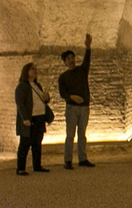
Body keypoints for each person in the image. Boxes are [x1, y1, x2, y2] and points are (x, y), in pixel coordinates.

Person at [59, 33, 95, 170]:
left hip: (84, 107)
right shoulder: (63, 77)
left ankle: (83, 158)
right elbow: (63, 93)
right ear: (65, 62)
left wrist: (88, 47)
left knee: (82, 134)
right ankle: (67, 160)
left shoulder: (82, 70)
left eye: (72, 57)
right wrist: (72, 97)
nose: (72, 60)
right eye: (68, 59)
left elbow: (87, 60)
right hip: (72, 108)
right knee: (70, 135)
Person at [14, 61, 53, 175]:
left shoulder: (37, 85)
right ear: (26, 71)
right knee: (25, 144)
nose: (35, 71)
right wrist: (25, 118)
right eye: (32, 69)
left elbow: (41, 100)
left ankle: (37, 165)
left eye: (35, 69)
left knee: (37, 143)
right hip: (30, 119)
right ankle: (20, 168)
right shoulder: (22, 87)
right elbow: (20, 103)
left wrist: (46, 98)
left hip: (40, 118)